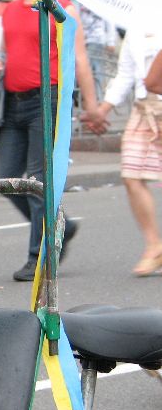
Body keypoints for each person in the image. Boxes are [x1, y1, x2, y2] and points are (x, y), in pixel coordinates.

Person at [0, 0, 105, 282]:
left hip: (46, 101)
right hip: (12, 104)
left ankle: (39, 256)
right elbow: (5, 53)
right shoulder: (10, 9)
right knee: (7, 179)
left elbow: (79, 59)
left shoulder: (61, 7)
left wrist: (92, 106)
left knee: (38, 181)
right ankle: (59, 226)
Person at [87, 31, 162, 276]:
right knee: (131, 174)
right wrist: (103, 109)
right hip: (145, 107)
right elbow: (126, 74)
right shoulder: (135, 26)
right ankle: (154, 246)